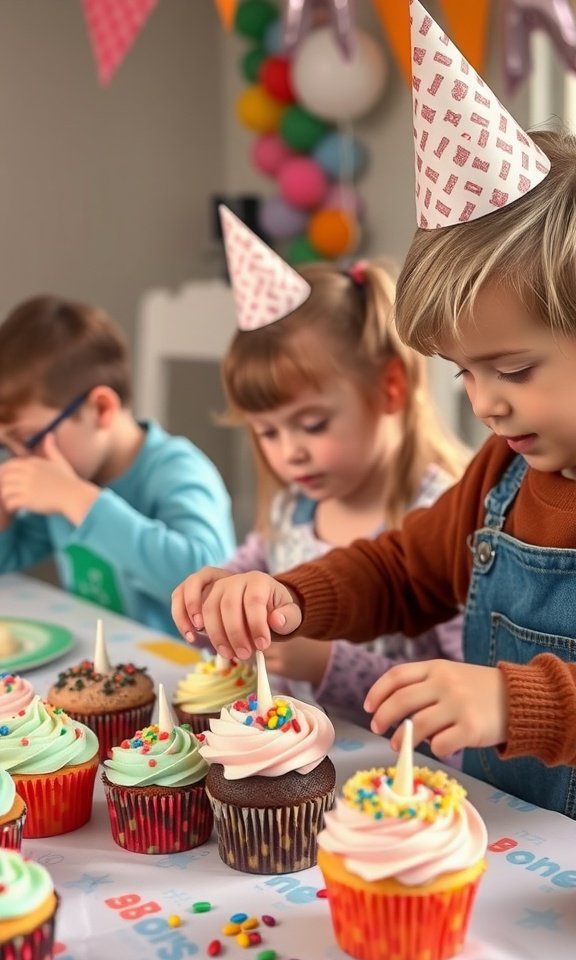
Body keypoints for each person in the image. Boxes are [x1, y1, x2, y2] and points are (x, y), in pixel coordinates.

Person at [171, 5, 576, 818]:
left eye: (515, 368)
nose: (487, 403)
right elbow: (398, 571)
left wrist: (514, 701)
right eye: (464, 374)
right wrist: (288, 597)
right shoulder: (500, 475)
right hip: (511, 847)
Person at [175, 207, 467, 727]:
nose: (290, 453)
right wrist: (218, 596)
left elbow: (460, 689)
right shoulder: (293, 508)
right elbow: (245, 579)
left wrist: (328, 664)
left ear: (389, 388)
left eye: (311, 424)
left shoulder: (439, 516)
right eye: (267, 432)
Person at [0, 295, 235, 635]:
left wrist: (79, 500)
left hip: (189, 673)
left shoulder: (176, 469)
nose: (22, 457)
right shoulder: (65, 474)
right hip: (101, 666)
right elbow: (9, 561)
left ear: (102, 408)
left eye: (29, 437)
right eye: (6, 445)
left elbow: (209, 578)